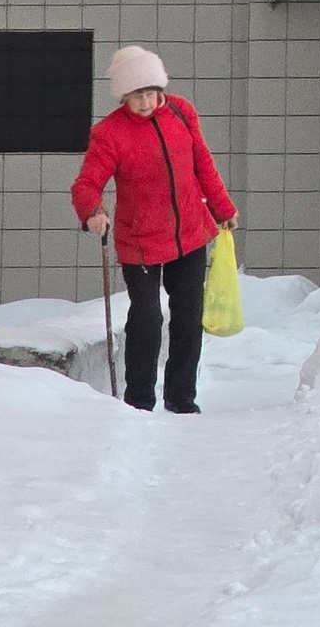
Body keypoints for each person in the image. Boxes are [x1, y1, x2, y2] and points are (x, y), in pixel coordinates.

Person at [70, 45, 239, 412]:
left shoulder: (181, 112)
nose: (145, 102)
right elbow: (86, 184)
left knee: (188, 318)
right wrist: (93, 211)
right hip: (141, 240)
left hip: (190, 233)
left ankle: (181, 399)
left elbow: (202, 164)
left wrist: (222, 208)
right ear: (123, 96)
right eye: (135, 95)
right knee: (147, 317)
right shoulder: (110, 133)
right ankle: (139, 401)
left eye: (150, 93)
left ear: (161, 88)